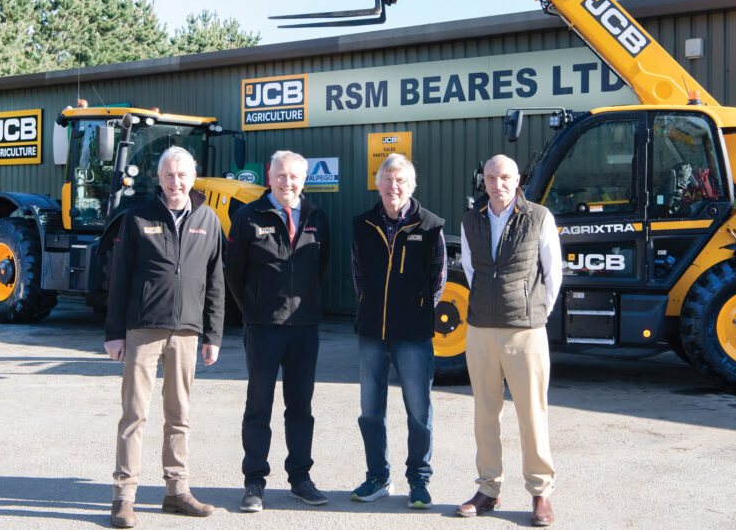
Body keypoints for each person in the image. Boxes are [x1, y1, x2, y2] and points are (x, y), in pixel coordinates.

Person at [104, 146, 225, 528]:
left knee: (179, 416)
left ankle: (176, 491)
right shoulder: (137, 218)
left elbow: (216, 282)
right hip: (143, 329)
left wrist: (213, 333)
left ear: (193, 178)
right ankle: (124, 497)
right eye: (169, 176)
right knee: (134, 415)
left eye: (183, 175)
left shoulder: (208, 219)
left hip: (188, 333)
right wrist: (114, 333)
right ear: (159, 179)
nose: (176, 183)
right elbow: (119, 278)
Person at [455, 154, 562, 527]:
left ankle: (540, 492)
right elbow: (471, 270)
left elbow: (553, 272)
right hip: (481, 330)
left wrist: (537, 315)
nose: (497, 184)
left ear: (517, 180)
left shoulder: (539, 217)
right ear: (482, 181)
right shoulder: (471, 221)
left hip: (525, 332)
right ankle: (488, 489)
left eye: (504, 177)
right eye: (490, 177)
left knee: (532, 414)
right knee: (485, 414)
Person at [225, 150, 330, 513]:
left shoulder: (317, 217)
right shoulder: (247, 216)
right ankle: (254, 479)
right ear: (270, 177)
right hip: (263, 327)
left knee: (300, 407)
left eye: (295, 177)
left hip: (304, 328)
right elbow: (234, 272)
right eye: (281, 176)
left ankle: (300, 478)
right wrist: (254, 309)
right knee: (259, 406)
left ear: (304, 180)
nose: (288, 183)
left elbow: (321, 268)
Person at [349, 153, 447, 509]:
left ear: (411, 185)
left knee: (419, 413)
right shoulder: (363, 224)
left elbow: (438, 280)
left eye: (401, 180)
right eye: (388, 179)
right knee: (370, 412)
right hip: (372, 333)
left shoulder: (430, 225)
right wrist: (369, 308)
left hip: (414, 336)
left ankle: (419, 481)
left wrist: (418, 313)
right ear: (378, 184)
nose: (394, 186)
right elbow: (357, 272)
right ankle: (378, 477)